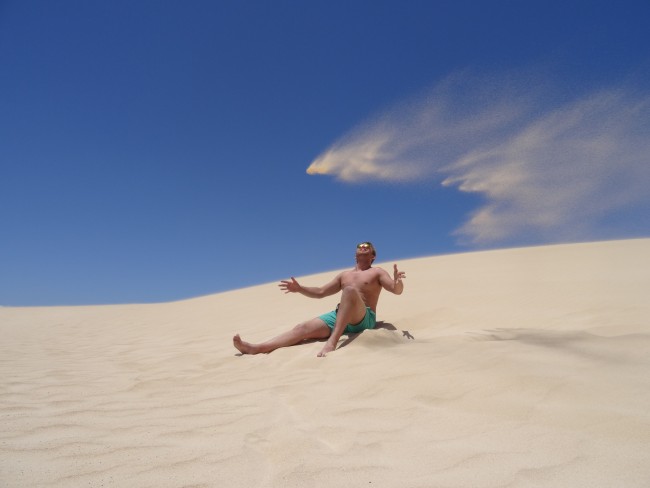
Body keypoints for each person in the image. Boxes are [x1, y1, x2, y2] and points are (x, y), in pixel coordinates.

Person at [233, 242, 406, 357]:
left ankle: (332, 342)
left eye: (366, 246)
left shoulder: (377, 272)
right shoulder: (344, 275)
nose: (362, 247)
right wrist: (300, 289)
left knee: (349, 291)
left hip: (364, 317)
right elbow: (321, 292)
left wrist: (398, 282)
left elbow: (396, 290)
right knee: (301, 328)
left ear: (373, 255)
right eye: (359, 246)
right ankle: (256, 348)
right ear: (355, 254)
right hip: (340, 315)